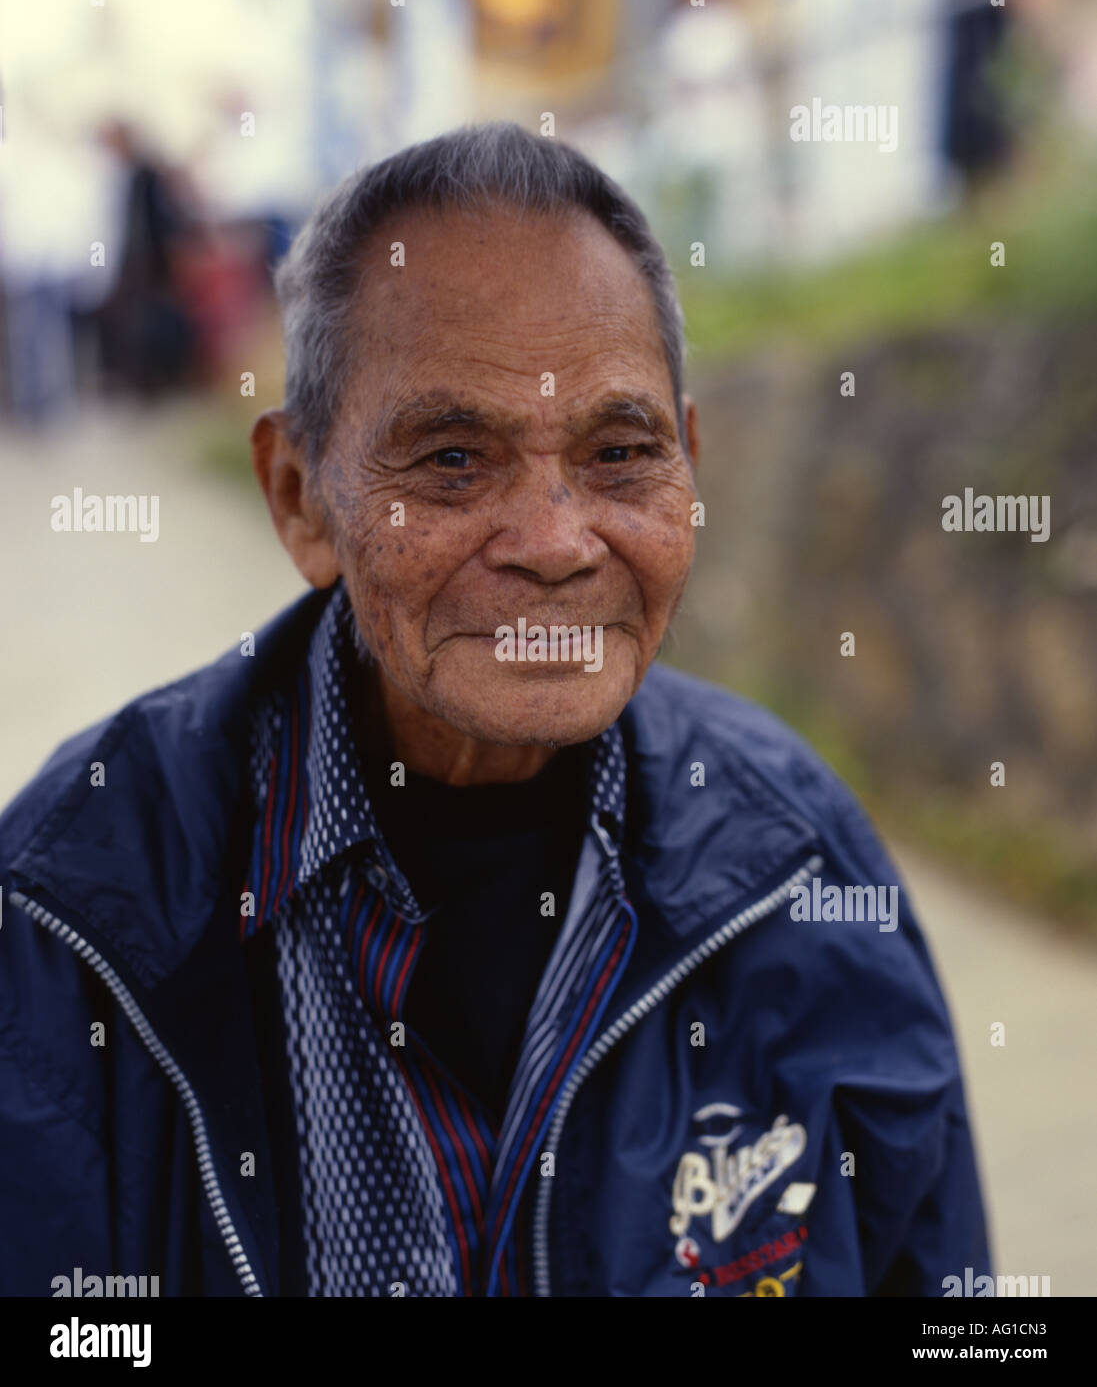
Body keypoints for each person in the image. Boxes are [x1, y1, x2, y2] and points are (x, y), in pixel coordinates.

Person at [0, 123, 990, 1297]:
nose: (558, 544)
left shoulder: (798, 859)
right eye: (455, 461)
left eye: (620, 453)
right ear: (298, 498)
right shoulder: (74, 915)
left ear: (690, 466)